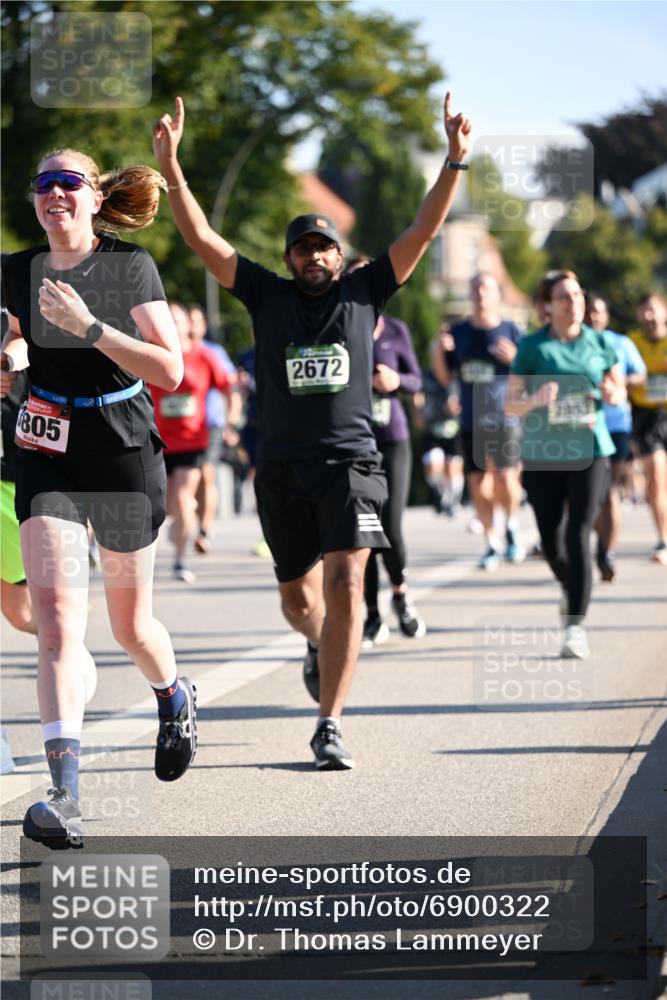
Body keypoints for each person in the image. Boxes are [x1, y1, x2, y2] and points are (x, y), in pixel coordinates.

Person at [153, 92, 471, 769]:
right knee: (299, 599)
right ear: (290, 257)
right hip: (280, 466)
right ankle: (317, 644)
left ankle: (329, 722)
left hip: (353, 464)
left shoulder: (365, 293)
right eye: (303, 248)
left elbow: (421, 229)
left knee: (348, 585)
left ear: (339, 254)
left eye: (324, 246)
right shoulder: (265, 295)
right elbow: (203, 242)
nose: (314, 256)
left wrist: (454, 161)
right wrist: (172, 169)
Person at [0, 148, 197, 849]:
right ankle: (65, 795)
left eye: (67, 183)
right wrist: (9, 363)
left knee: (130, 628)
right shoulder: (16, 269)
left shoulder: (127, 266)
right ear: (36, 201)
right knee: (55, 622)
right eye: (43, 183)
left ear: (92, 197)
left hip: (119, 446)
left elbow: (170, 370)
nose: (54, 193)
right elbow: (12, 342)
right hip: (45, 447)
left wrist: (90, 327)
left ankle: (173, 695)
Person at [506, 270, 626, 659]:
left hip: (590, 449)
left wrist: (613, 392)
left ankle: (575, 625)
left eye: (577, 294)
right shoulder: (532, 347)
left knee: (578, 534)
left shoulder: (601, 343)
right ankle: (571, 586)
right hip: (543, 454)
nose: (574, 302)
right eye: (564, 296)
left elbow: (618, 390)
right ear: (548, 306)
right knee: (552, 541)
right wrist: (537, 399)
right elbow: (510, 404)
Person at [342, 262, 424, 648]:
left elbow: (416, 379)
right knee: (365, 531)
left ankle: (402, 595)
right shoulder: (339, 326)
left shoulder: (396, 331)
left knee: (390, 526)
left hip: (393, 439)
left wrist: (396, 381)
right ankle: (372, 614)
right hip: (355, 445)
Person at [432, 273, 524, 569]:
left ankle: (510, 525)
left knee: (506, 480)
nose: (480, 294)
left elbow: (530, 375)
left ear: (498, 295)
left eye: (486, 288)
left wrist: (515, 360)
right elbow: (446, 377)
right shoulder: (458, 333)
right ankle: (491, 542)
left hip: (504, 416)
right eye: (475, 289)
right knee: (478, 483)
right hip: (471, 419)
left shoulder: (512, 331)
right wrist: (437, 351)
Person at [149, 301, 231, 583]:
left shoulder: (205, 356)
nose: (172, 324)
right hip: (158, 440)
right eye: (167, 319)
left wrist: (230, 421)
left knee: (183, 499)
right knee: (169, 506)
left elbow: (228, 387)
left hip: (193, 440)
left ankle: (180, 560)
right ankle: (182, 527)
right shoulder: (153, 355)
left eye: (177, 320)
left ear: (188, 325)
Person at [585, 292, 646, 580]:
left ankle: (607, 550)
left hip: (616, 425)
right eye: (589, 311)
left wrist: (620, 386)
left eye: (598, 311)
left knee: (608, 491)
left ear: (606, 315)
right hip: (581, 427)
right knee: (587, 495)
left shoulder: (619, 343)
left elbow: (639, 374)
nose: (593, 316)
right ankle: (598, 541)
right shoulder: (572, 344)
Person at [187, 303, 241, 552]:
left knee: (206, 474)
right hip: (181, 427)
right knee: (189, 480)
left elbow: (230, 387)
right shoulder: (172, 347)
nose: (190, 326)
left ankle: (204, 529)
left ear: (203, 326)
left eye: (195, 321)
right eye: (187, 321)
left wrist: (231, 422)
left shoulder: (213, 352)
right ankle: (191, 523)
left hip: (210, 423)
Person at [627, 292, 667, 565]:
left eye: (653, 310)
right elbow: (621, 374)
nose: (649, 316)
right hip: (646, 415)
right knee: (655, 476)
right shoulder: (633, 342)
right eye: (644, 311)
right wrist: (633, 379)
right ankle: (663, 538)